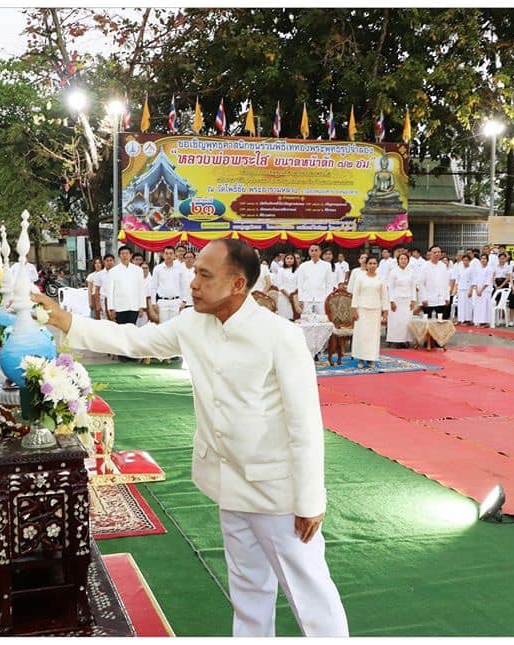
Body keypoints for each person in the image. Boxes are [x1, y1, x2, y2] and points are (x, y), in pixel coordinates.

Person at [30, 239, 349, 637]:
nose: (192, 283)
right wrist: (68, 322)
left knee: (311, 597)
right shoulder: (192, 323)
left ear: (237, 284)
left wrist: (309, 500)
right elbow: (134, 340)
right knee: (249, 593)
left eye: (204, 275)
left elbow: (304, 425)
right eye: (194, 272)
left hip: (278, 493)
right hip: (229, 486)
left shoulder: (280, 336)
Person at [104, 246, 146, 358]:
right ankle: (122, 354)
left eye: (127, 253)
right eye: (122, 253)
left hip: (134, 305)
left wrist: (141, 306)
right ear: (119, 256)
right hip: (119, 306)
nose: (125, 256)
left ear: (131, 255)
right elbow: (110, 291)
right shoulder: (113, 271)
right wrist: (111, 308)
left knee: (132, 330)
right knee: (121, 331)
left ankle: (131, 354)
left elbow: (141, 288)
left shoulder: (138, 270)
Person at [350, 257, 390, 369]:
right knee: (362, 334)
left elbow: (384, 295)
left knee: (373, 336)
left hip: (375, 310)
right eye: (370, 263)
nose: (372, 265)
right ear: (366, 265)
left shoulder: (381, 278)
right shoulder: (360, 277)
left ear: (377, 265)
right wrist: (354, 309)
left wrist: (385, 311)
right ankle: (361, 358)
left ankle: (371, 359)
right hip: (362, 309)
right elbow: (356, 294)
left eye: (374, 263)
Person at [386, 253, 417, 348]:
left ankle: (405, 340)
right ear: (398, 260)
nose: (403, 260)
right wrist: (391, 301)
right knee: (396, 321)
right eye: (401, 259)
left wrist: (413, 300)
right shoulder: (393, 272)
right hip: (396, 300)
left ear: (408, 260)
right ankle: (396, 340)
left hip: (407, 300)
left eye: (405, 259)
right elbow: (390, 287)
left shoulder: (411, 272)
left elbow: (413, 286)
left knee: (407, 321)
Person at [151, 246, 187, 324]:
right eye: (166, 253)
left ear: (174, 255)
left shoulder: (180, 269)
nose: (169, 255)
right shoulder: (158, 269)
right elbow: (153, 287)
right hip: (162, 302)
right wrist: (153, 303)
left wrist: (184, 301)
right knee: (163, 327)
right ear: (163, 255)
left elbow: (183, 286)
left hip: (176, 302)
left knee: (175, 326)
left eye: (171, 253)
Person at [294, 244, 332, 317]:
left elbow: (329, 284)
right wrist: (300, 298)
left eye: (316, 250)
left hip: (321, 298)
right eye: (312, 251)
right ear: (309, 252)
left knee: (322, 319)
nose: (314, 253)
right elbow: (300, 284)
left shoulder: (327, 266)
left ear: (320, 252)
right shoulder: (303, 266)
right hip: (306, 298)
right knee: (306, 319)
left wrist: (328, 299)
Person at [418, 245, 453, 320]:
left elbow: (446, 283)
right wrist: (423, 298)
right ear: (430, 254)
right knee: (427, 320)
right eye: (435, 252)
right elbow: (421, 283)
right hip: (428, 298)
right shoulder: (424, 266)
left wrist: (447, 297)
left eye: (439, 252)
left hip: (441, 299)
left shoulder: (443, 266)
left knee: (440, 320)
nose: (437, 254)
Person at [272, 253, 299, 320]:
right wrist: (288, 295)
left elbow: (299, 284)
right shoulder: (281, 270)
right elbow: (280, 285)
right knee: (283, 318)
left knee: (294, 317)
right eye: (287, 258)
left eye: (291, 258)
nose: (289, 260)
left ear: (294, 260)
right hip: (283, 296)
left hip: (295, 297)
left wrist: (293, 295)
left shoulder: (298, 270)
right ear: (284, 260)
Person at [471, 254, 494, 327]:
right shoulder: (478, 268)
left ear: (487, 260)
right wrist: (477, 289)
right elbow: (475, 279)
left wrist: (481, 290)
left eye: (485, 258)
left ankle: (485, 322)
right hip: (477, 290)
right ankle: (479, 321)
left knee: (485, 306)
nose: (483, 260)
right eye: (482, 258)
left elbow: (487, 281)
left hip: (485, 290)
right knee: (478, 306)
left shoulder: (489, 269)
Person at [455, 255, 476, 324]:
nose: (465, 262)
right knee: (460, 305)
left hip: (468, 288)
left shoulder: (472, 269)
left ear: (469, 261)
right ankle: (460, 319)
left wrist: (470, 290)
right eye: (464, 260)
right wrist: (456, 288)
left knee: (468, 305)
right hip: (461, 288)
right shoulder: (460, 268)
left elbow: (473, 280)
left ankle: (468, 320)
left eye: (467, 260)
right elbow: (457, 279)